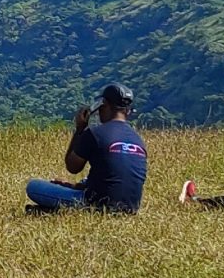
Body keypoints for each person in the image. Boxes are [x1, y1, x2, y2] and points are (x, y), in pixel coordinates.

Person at [25, 85, 148, 214]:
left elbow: (72, 167)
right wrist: (74, 186)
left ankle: (60, 211)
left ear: (103, 104)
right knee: (86, 181)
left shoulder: (95, 133)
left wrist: (80, 129)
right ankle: (50, 212)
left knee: (33, 187)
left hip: (96, 204)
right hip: (131, 208)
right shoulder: (138, 139)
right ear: (127, 111)